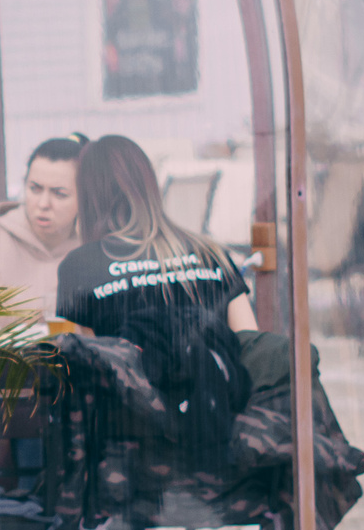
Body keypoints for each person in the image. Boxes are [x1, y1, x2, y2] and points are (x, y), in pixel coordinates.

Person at [54, 134, 258, 460]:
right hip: (222, 435)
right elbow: (252, 344)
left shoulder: (80, 267)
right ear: (148, 185)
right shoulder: (210, 251)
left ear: (89, 195)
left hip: (134, 449)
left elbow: (81, 365)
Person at [0, 136, 84, 318]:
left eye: (60, 194)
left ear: (84, 196)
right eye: (35, 189)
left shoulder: (93, 246)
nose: (43, 203)